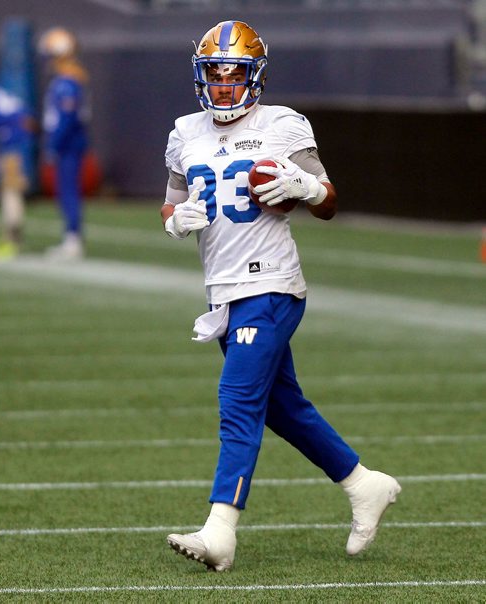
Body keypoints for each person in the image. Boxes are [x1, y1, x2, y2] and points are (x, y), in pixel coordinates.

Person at [161, 20, 401, 572]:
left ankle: (221, 528)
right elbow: (170, 203)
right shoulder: (183, 132)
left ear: (255, 77)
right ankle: (365, 484)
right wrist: (177, 222)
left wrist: (308, 187)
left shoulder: (283, 126)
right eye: (214, 76)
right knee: (281, 406)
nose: (223, 86)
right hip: (225, 287)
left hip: (271, 283)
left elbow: (329, 200)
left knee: (238, 399)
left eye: (233, 75)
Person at [38, 27, 90, 260]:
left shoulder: (68, 82)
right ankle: (71, 237)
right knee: (65, 191)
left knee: (68, 191)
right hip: (70, 143)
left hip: (69, 144)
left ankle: (72, 239)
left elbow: (67, 118)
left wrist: (53, 144)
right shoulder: (69, 79)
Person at [0, 84, 34, 260]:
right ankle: (13, 238)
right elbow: (27, 118)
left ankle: (11, 240)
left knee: (10, 190)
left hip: (11, 142)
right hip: (21, 140)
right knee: (10, 189)